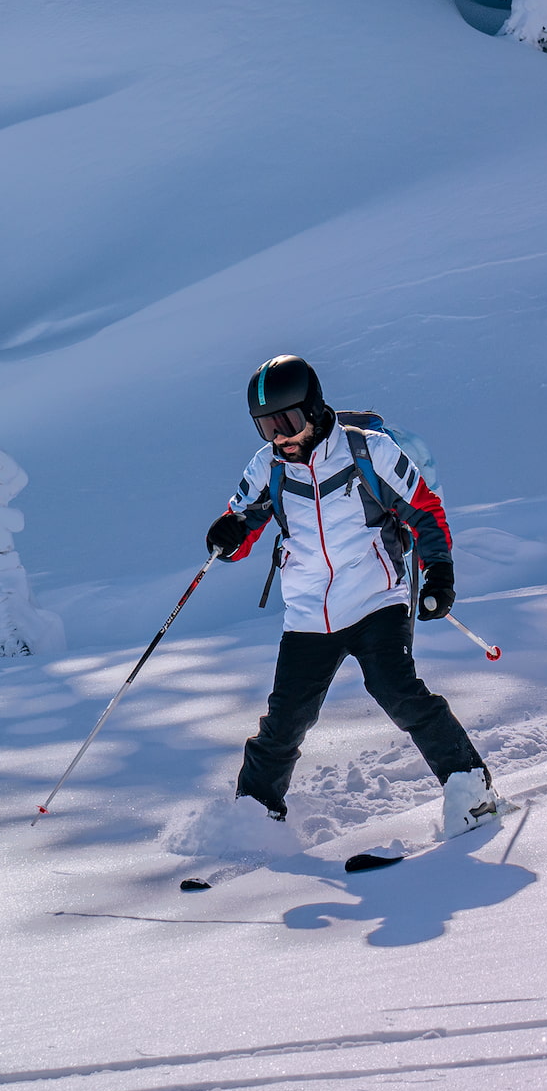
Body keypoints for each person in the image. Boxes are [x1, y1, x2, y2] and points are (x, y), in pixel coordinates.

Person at [206, 355, 497, 838]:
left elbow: (424, 511)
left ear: (314, 408)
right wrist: (227, 535)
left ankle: (472, 790)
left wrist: (439, 574)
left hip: (375, 598)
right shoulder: (267, 467)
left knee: (398, 693)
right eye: (265, 426)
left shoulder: (370, 451)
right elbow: (243, 529)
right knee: (286, 720)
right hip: (308, 614)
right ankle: (254, 819)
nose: (279, 436)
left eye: (287, 420)